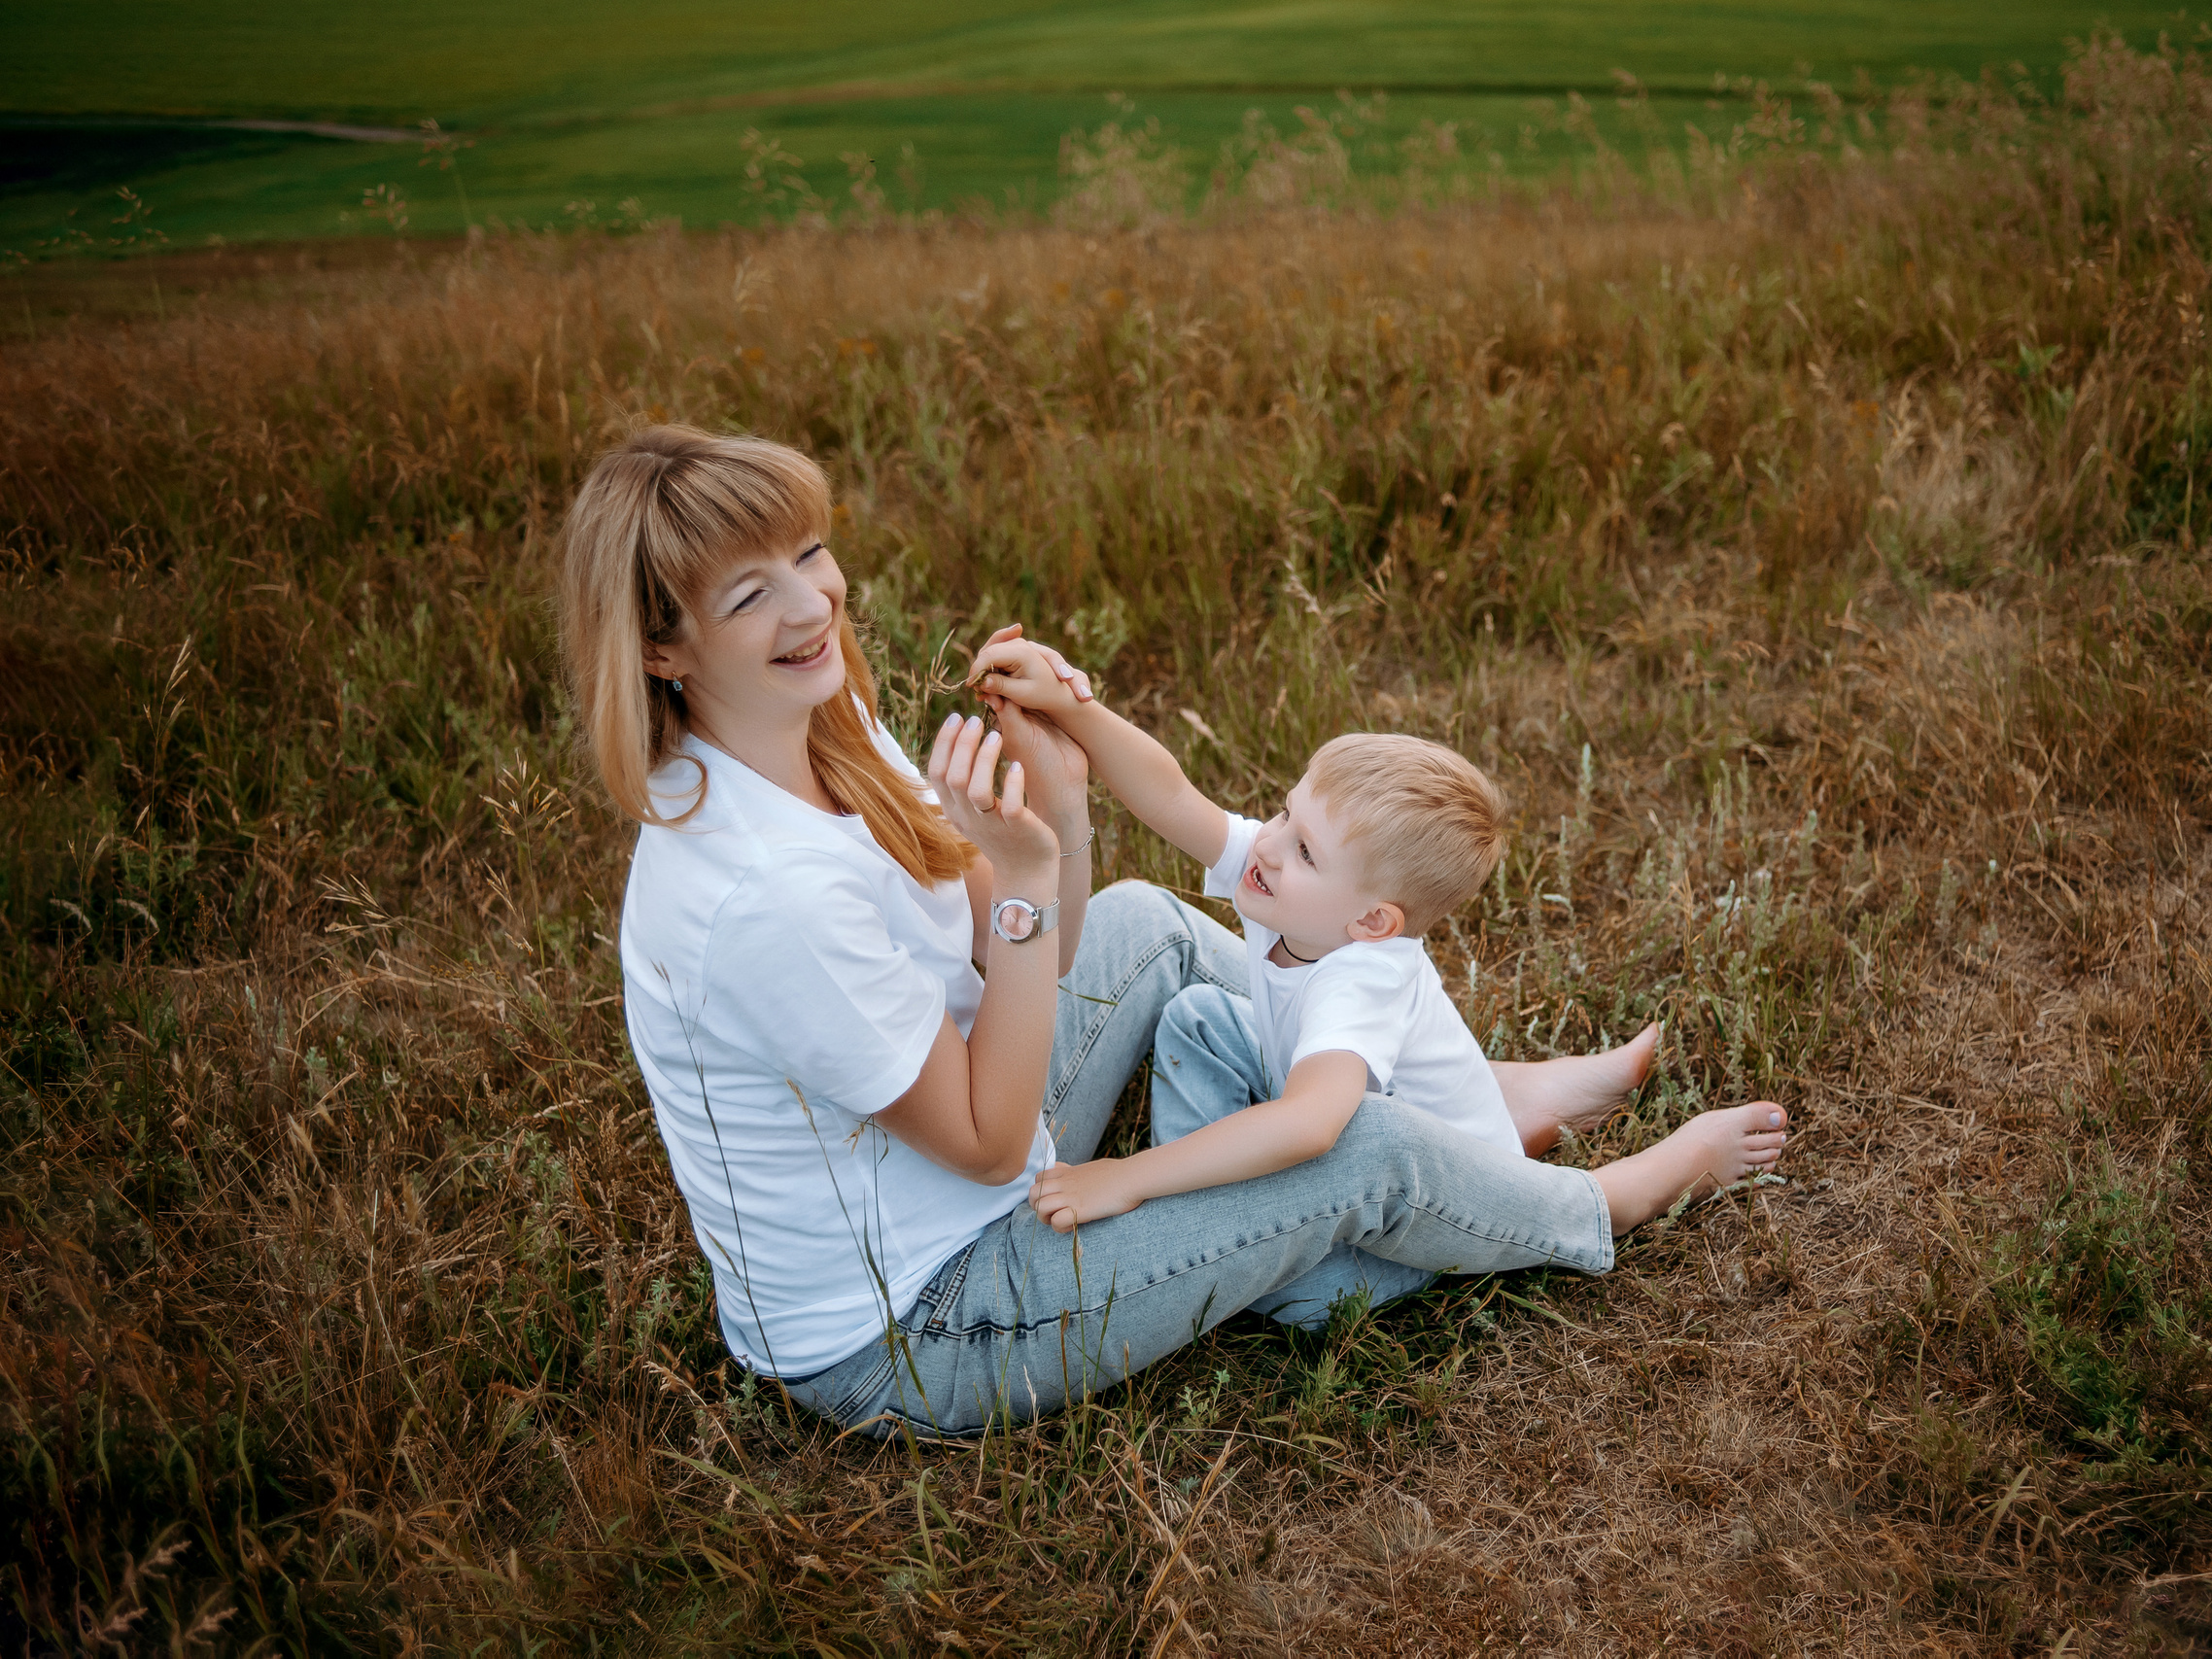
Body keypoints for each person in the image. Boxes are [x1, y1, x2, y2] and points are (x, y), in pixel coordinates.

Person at [562, 424, 1789, 1440]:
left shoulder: (818, 730)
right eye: (749, 591)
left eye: (809, 552)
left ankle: (1461, 1090)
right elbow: (993, 1147)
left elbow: (1013, 956)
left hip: (975, 1177)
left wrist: (1064, 812)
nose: (811, 600)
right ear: (662, 649)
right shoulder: (761, 894)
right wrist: (1027, 875)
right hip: (919, 1325)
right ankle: (1605, 1201)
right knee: (1352, 1151)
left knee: (1149, 923)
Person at [969, 642, 1788, 1327]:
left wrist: (1129, 1176)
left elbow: (1311, 1127)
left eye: (1307, 849)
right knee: (1197, 1019)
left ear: (1373, 922)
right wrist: (1073, 709)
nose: (1272, 843)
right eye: (1286, 814)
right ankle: (1507, 1109)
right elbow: (1173, 791)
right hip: (1405, 1117)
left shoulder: (1360, 977)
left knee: (1290, 1297)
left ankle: (1627, 1189)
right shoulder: (1292, 885)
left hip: (1395, 1234)